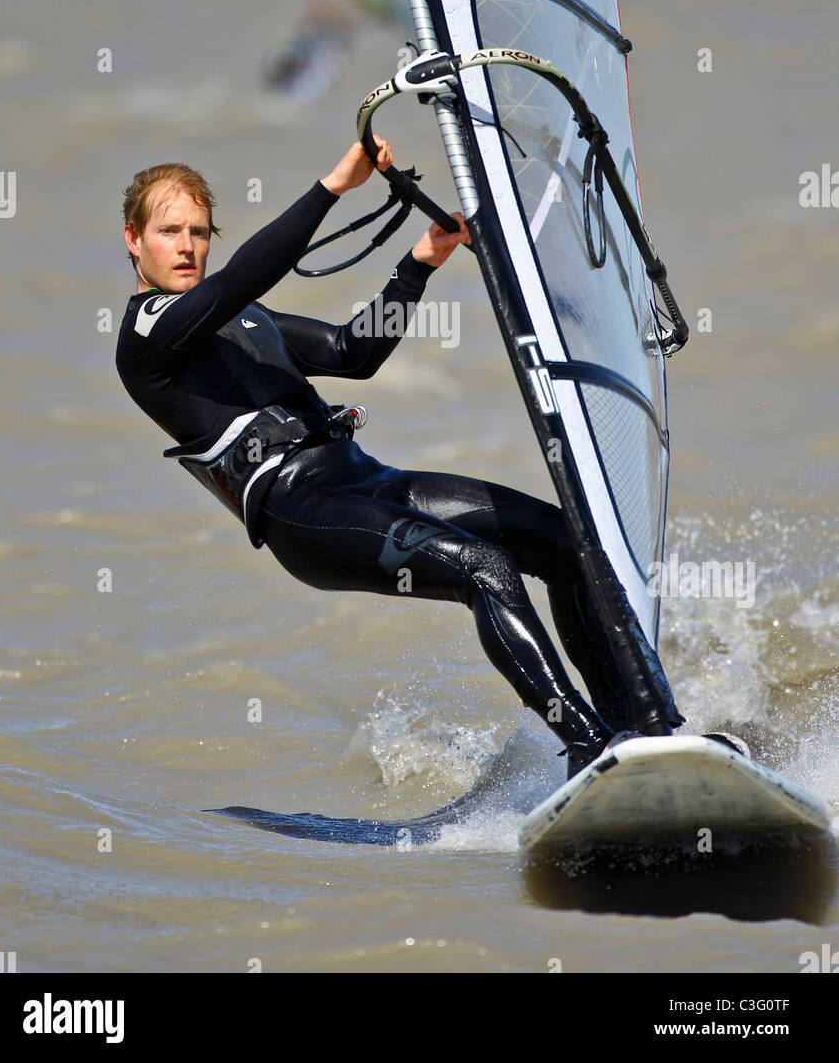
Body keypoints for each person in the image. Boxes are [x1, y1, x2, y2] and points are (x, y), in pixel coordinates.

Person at [116, 137, 681, 778]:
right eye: (169, 231)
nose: (186, 246)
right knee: (484, 567)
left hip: (365, 478)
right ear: (134, 240)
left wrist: (420, 263)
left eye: (197, 231)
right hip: (303, 512)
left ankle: (636, 730)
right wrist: (335, 184)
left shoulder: (245, 318)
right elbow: (242, 275)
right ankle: (587, 746)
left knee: (561, 539)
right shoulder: (146, 338)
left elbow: (351, 353)